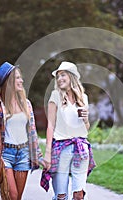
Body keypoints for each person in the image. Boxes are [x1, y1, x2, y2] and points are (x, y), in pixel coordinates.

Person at [0, 62, 45, 200]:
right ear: (8, 81)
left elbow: (32, 133)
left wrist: (39, 157)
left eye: (20, 77)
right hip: (5, 155)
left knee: (17, 198)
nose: (21, 80)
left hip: (23, 154)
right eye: (17, 78)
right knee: (12, 196)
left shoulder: (26, 103)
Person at [40, 61, 96, 200]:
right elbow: (50, 126)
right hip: (61, 148)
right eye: (57, 76)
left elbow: (86, 128)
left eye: (62, 75)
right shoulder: (55, 96)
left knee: (79, 195)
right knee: (61, 196)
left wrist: (86, 120)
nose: (59, 79)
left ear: (71, 76)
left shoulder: (84, 98)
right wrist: (47, 153)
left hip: (81, 147)